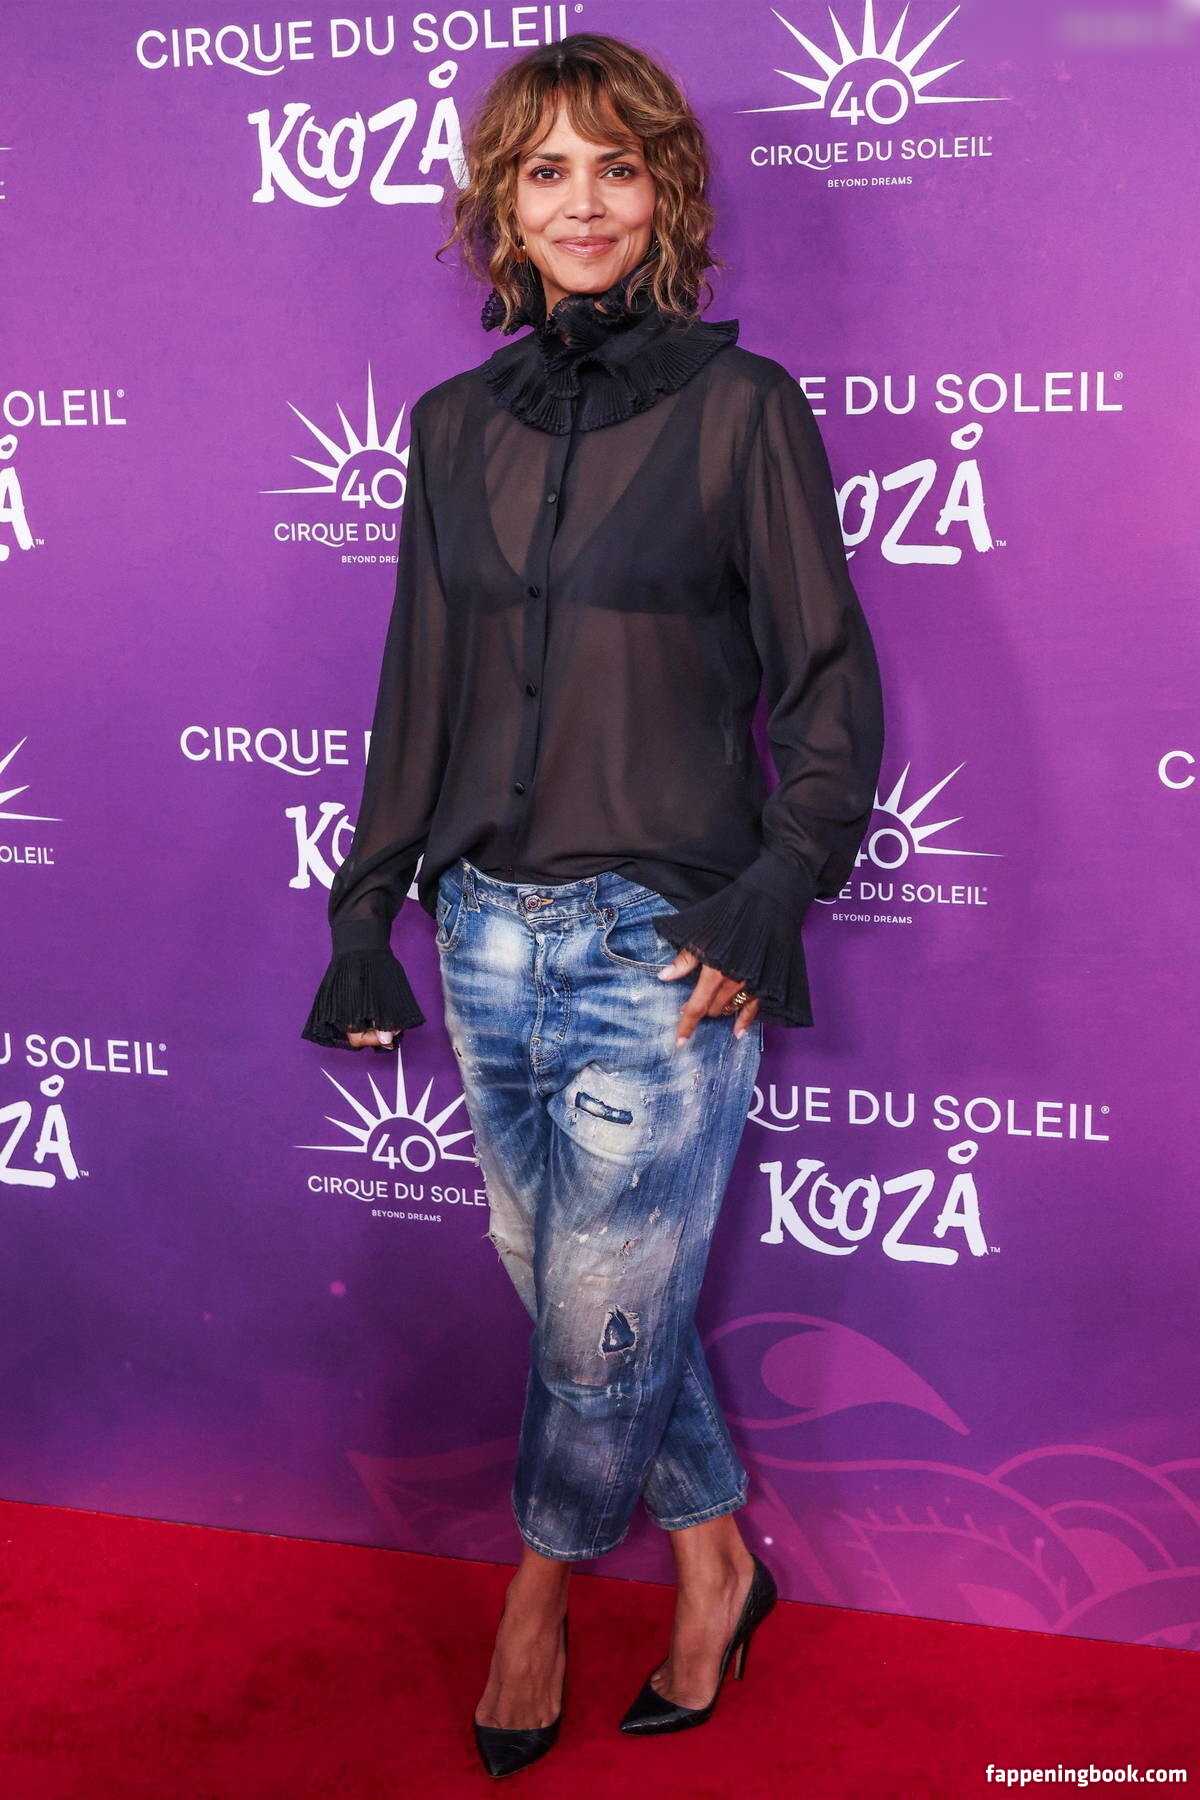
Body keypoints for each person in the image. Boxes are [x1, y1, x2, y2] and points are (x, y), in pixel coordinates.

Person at [301, 31, 885, 1778]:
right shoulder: (450, 429)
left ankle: (534, 1604)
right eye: (545, 170)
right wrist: (367, 907)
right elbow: (421, 689)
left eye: (614, 168)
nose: (581, 203)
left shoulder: (741, 408)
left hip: (666, 948)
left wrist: (777, 888)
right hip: (482, 938)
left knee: (591, 1322)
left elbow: (830, 683)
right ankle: (715, 1566)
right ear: (502, 202)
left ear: (663, 194)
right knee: (584, 1300)